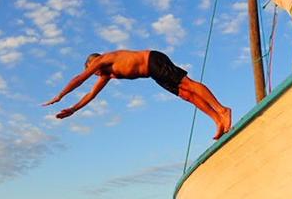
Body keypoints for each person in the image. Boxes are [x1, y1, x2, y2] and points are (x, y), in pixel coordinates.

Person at [43, 50, 232, 140]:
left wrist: (60, 96)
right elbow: (91, 95)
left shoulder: (103, 60)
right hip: (152, 73)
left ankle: (222, 110)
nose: (95, 75)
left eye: (94, 71)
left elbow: (79, 79)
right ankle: (217, 120)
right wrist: (74, 109)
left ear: (94, 63)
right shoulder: (108, 74)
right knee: (186, 95)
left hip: (153, 60)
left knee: (186, 84)